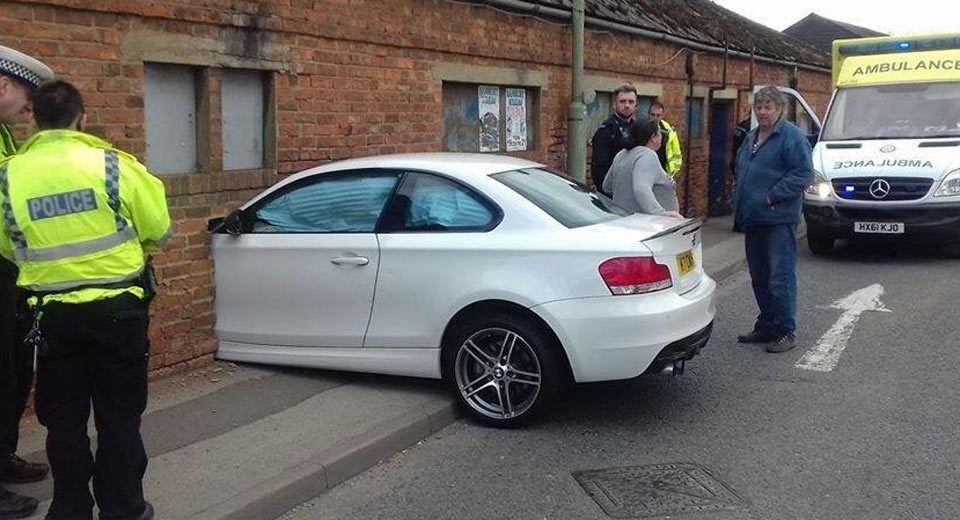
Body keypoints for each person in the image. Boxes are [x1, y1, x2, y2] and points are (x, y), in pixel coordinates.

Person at [0, 80, 171, 520]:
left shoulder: (7, 176)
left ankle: (71, 509)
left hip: (51, 319)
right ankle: (124, 508)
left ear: (34, 118)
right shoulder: (115, 165)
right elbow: (159, 229)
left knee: (64, 421)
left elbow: (6, 249)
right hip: (119, 313)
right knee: (119, 416)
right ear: (84, 118)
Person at [0, 44, 54, 520]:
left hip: (9, 271)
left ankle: (3, 457)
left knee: (15, 369)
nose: (27, 110)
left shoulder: (2, 135)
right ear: (2, 85)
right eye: (26, 98)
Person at [733, 86, 813, 353]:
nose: (763, 112)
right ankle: (766, 323)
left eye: (768, 107)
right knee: (759, 275)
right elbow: (742, 168)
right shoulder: (751, 136)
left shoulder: (791, 137)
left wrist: (773, 196)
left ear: (780, 109)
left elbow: (803, 174)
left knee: (780, 276)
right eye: (759, 107)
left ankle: (785, 330)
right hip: (753, 217)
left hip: (778, 218)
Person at [602, 117, 683, 218]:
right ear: (653, 136)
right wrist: (660, 213)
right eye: (660, 133)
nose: (662, 137)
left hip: (623, 219)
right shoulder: (647, 155)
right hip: (646, 224)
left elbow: (607, 186)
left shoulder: (622, 154)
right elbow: (641, 189)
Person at [590, 85, 637, 195]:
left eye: (631, 102)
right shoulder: (606, 131)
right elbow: (599, 170)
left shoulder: (638, 129)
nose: (627, 105)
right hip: (612, 194)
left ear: (636, 105)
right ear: (614, 104)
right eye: (622, 101)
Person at [648, 99, 683, 178]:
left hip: (664, 173)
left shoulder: (669, 131)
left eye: (658, 115)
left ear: (662, 116)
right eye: (652, 115)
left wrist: (671, 172)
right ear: (648, 114)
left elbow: (677, 154)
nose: (655, 118)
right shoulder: (642, 129)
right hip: (647, 172)